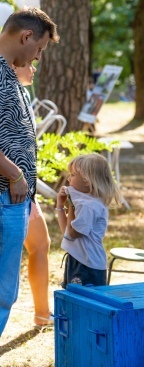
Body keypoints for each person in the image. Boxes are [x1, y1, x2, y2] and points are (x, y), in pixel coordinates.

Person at [0, 7, 58, 336]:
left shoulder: (9, 73)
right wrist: (15, 174)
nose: (37, 56)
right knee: (3, 291)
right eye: (38, 49)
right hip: (5, 194)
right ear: (26, 36)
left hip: (14, 198)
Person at [14, 62, 53, 329]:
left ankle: (42, 315)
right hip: (10, 187)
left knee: (40, 243)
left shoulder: (22, 92)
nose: (34, 67)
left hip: (23, 189)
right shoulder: (6, 89)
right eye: (30, 63)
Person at [56, 154, 122, 288]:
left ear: (86, 180)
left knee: (84, 302)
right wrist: (60, 206)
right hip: (79, 260)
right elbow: (67, 234)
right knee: (74, 299)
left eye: (73, 175)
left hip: (87, 265)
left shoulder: (88, 206)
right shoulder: (85, 203)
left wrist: (71, 204)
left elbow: (74, 233)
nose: (69, 178)